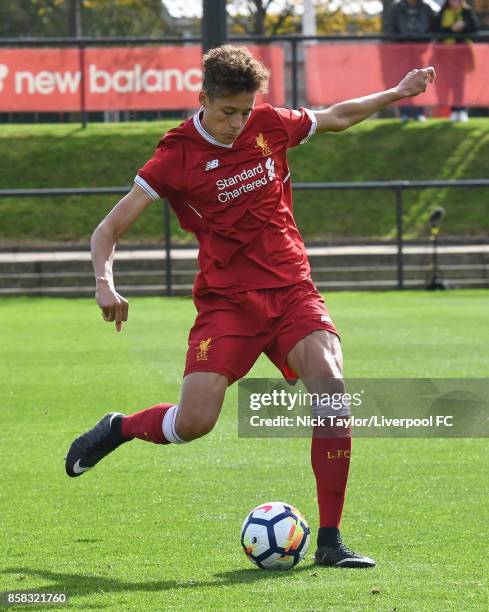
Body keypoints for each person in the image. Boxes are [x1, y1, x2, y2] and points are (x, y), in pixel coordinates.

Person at [65, 45, 435, 568]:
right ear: (204, 99)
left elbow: (337, 117)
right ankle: (119, 427)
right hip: (228, 304)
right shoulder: (175, 158)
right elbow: (107, 231)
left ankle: (330, 542)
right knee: (194, 422)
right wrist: (105, 283)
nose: (239, 123)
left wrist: (397, 93)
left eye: (245, 111)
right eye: (227, 112)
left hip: (292, 292)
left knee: (332, 392)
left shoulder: (269, 123)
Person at [384, 0, 436, 121]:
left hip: (421, 52)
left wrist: (425, 42)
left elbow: (434, 27)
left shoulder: (426, 7)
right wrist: (398, 42)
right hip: (401, 53)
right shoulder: (397, 7)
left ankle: (419, 112)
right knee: (403, 81)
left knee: (421, 80)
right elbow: (388, 28)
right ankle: (404, 113)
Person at [433, 0, 479, 121]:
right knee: (450, 82)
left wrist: (464, 26)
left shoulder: (466, 11)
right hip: (446, 54)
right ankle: (453, 110)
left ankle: (462, 110)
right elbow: (436, 30)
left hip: (463, 54)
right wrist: (452, 29)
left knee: (461, 82)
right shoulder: (443, 12)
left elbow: (475, 28)